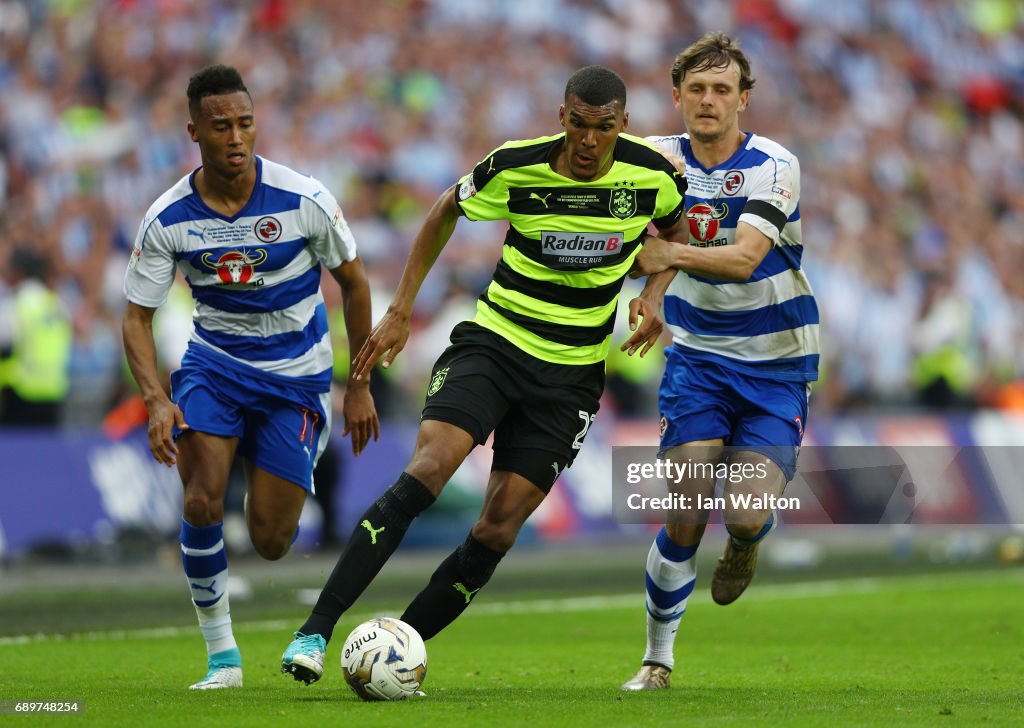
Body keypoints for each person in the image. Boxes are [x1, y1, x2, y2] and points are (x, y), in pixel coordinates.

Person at [280, 65, 688, 685]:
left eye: (602, 128)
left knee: (498, 526)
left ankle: (399, 653)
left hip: (571, 377)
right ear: (562, 116)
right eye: (578, 124)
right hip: (495, 345)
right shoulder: (515, 166)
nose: (587, 140)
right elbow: (446, 209)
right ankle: (316, 629)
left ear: (623, 126)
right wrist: (400, 309)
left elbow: (677, 233)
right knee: (427, 470)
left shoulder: (652, 176)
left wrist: (655, 293)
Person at [121, 64, 379, 690]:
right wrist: (156, 398)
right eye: (221, 126)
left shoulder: (305, 200)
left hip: (297, 377)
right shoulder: (168, 219)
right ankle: (223, 659)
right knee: (202, 497)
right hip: (216, 366)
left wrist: (362, 383)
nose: (236, 137)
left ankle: (261, 475)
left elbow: (355, 283)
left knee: (271, 540)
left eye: (245, 123)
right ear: (194, 132)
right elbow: (135, 318)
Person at [620, 32, 820, 691]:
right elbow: (656, 241)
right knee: (683, 505)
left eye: (723, 90)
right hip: (698, 358)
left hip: (779, 365)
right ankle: (656, 660)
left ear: (744, 99)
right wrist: (652, 294)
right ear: (677, 97)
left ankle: (746, 543)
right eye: (697, 89)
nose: (709, 101)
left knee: (742, 513)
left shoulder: (774, 164)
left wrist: (662, 263)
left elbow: (742, 261)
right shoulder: (653, 159)